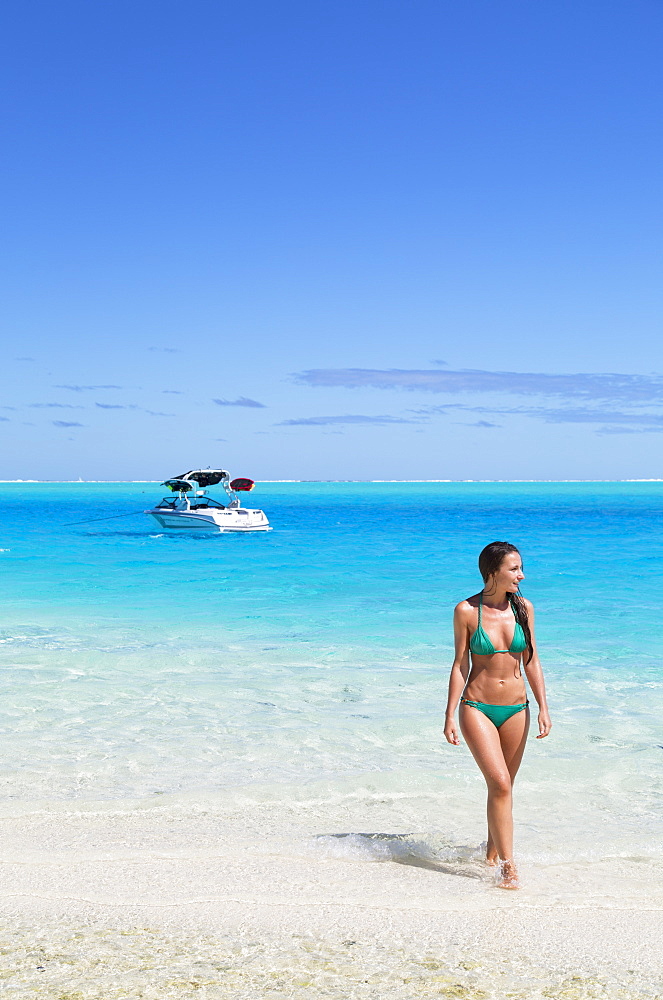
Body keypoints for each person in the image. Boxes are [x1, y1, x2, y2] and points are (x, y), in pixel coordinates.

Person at [444, 541, 551, 889]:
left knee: (503, 788)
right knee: (501, 784)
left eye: (521, 568)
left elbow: (531, 659)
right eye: (514, 568)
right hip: (477, 707)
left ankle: (489, 856)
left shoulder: (524, 608)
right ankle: (508, 867)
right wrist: (449, 714)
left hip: (518, 708)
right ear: (493, 572)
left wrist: (543, 708)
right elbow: (461, 663)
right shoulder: (466, 611)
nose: (521, 575)